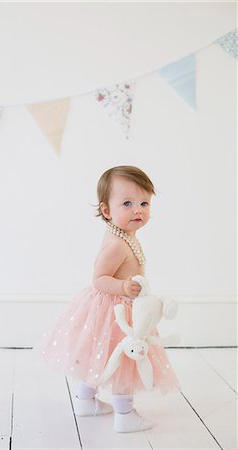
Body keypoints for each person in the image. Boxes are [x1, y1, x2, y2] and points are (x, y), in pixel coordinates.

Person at [38, 165, 180, 433]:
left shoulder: (125, 235)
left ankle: (85, 401)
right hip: (115, 312)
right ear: (107, 211)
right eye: (127, 203)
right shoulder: (116, 244)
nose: (137, 209)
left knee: (99, 357)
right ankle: (125, 415)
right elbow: (99, 278)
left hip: (119, 307)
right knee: (123, 362)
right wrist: (124, 286)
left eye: (143, 203)